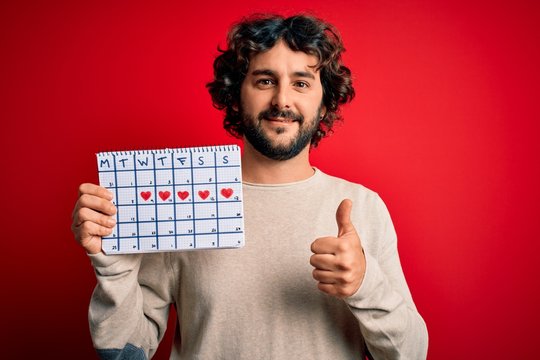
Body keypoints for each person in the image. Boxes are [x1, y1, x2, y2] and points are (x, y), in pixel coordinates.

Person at [71, 14, 428, 359]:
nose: (282, 100)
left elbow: (411, 355)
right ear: (237, 96)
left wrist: (366, 284)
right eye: (265, 80)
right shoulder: (185, 200)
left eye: (301, 83)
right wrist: (113, 266)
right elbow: (127, 353)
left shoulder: (364, 207)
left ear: (324, 105)